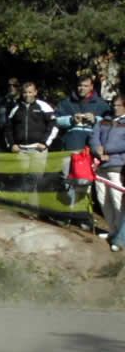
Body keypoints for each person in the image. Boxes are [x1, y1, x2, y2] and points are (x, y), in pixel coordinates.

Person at [4, 81, 58, 193]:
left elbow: (54, 125)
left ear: (35, 92)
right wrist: (11, 144)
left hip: (38, 149)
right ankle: (23, 205)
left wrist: (45, 143)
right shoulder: (15, 108)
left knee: (36, 179)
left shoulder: (44, 106)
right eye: (25, 92)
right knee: (22, 178)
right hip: (21, 150)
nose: (27, 95)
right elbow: (8, 128)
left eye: (30, 92)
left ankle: (34, 207)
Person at [90, 94, 125, 251]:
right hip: (100, 165)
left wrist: (108, 150)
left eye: (117, 105)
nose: (114, 108)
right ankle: (112, 230)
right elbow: (94, 137)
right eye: (113, 105)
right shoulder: (104, 120)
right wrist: (97, 149)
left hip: (117, 166)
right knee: (103, 199)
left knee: (117, 200)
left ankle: (120, 234)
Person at [55, 74, 110, 151]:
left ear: (91, 87)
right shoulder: (66, 103)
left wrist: (95, 120)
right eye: (80, 86)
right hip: (71, 145)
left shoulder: (102, 104)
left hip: (94, 146)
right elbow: (55, 121)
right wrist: (71, 120)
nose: (82, 88)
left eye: (85, 86)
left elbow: (109, 124)